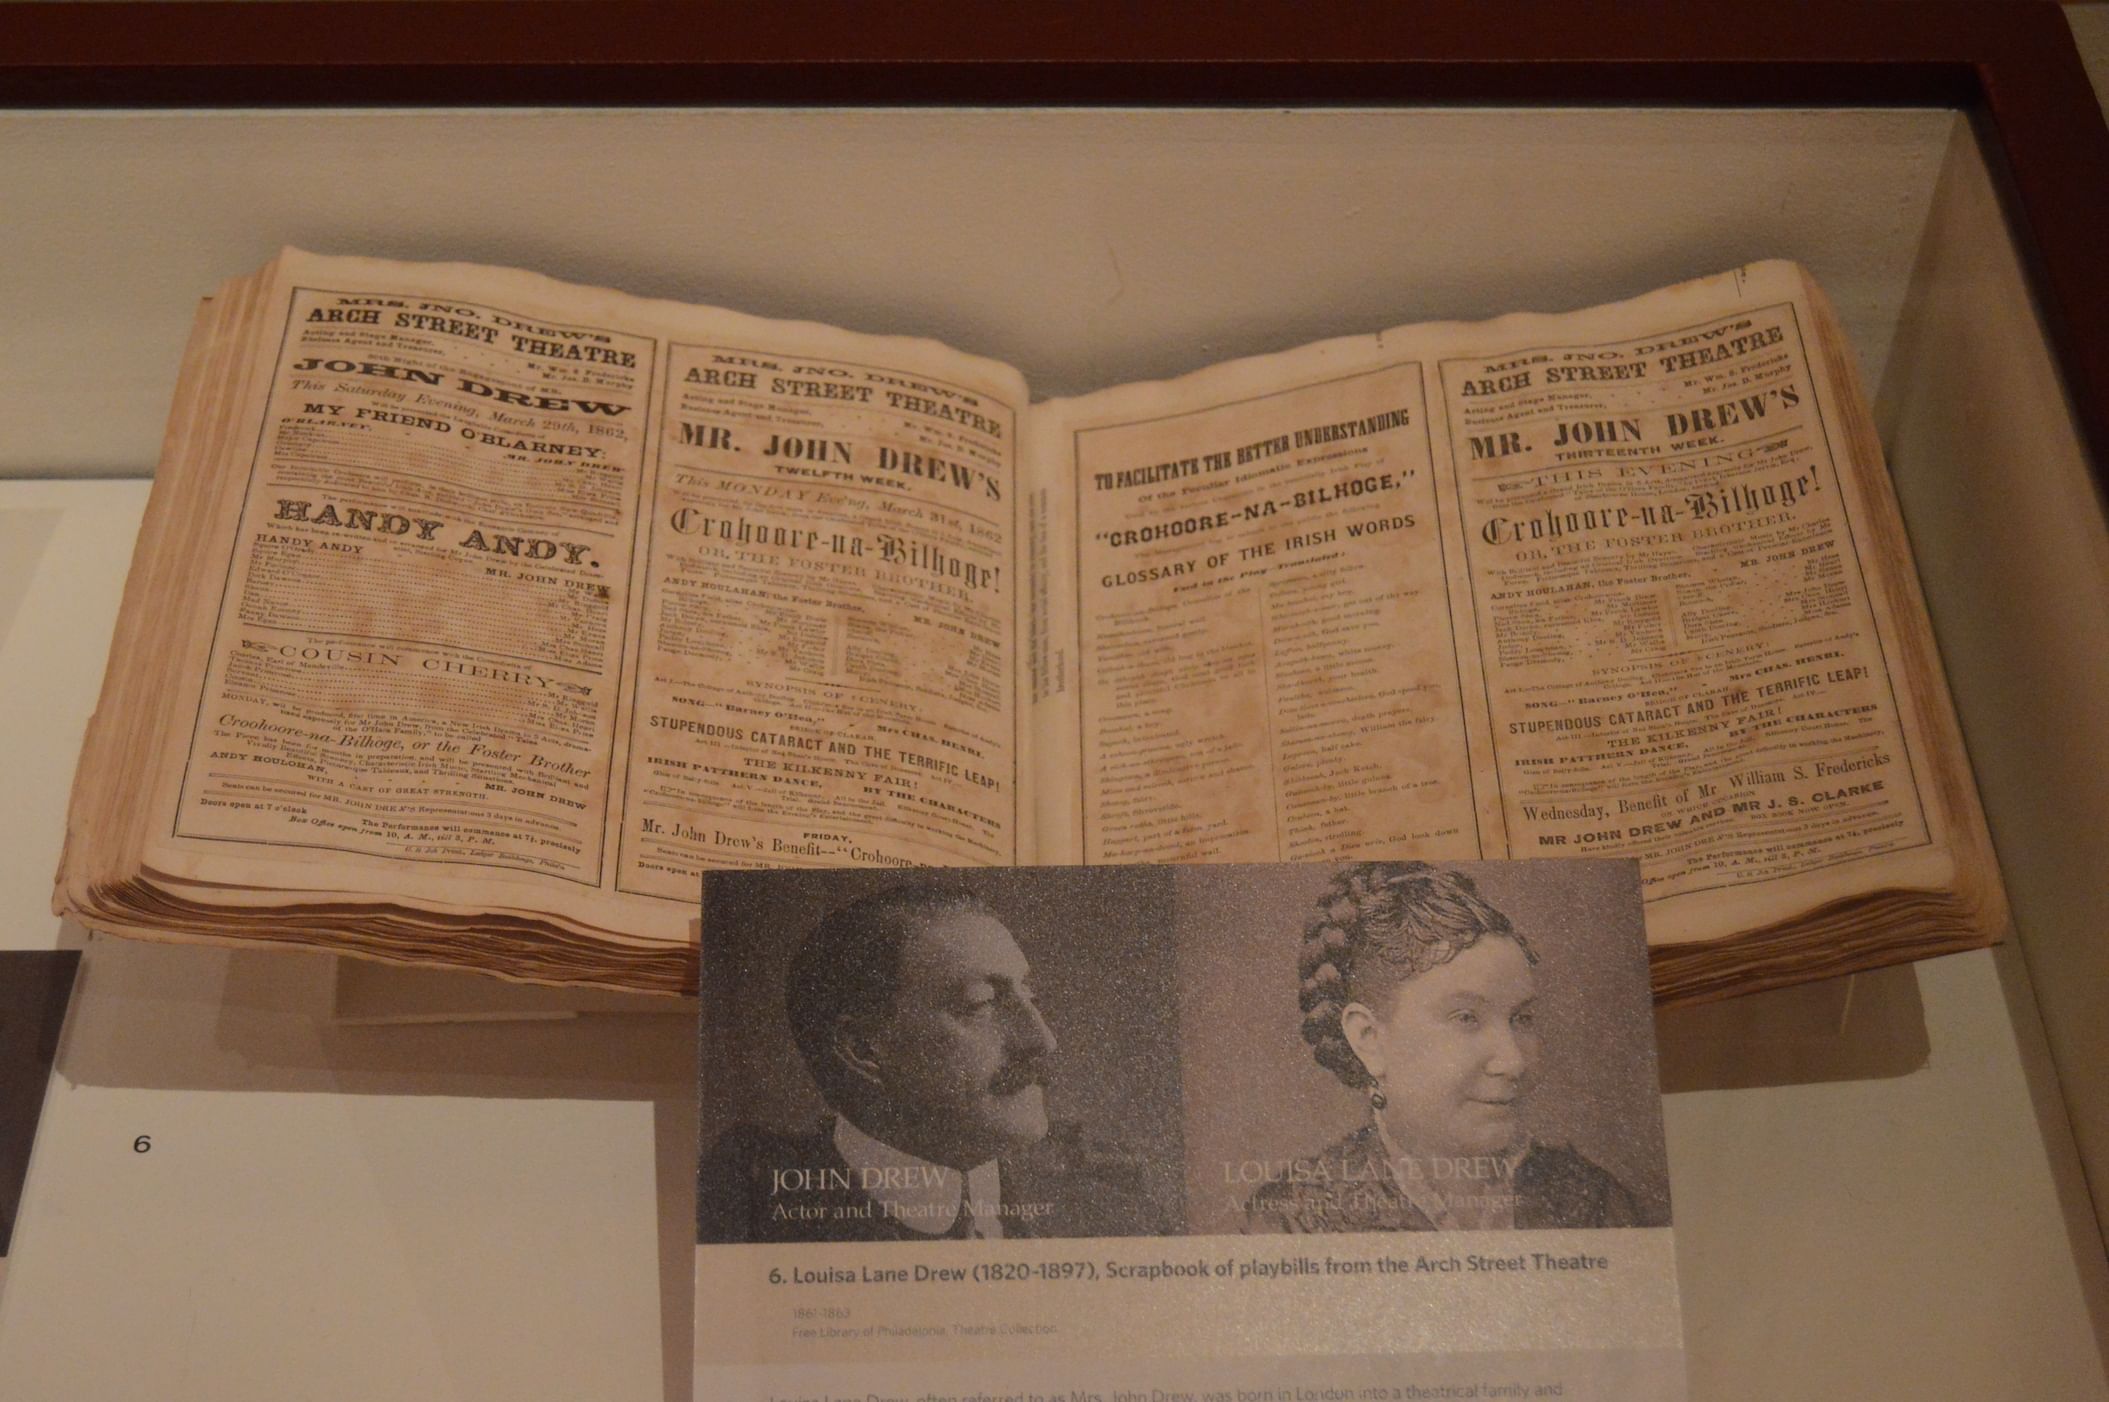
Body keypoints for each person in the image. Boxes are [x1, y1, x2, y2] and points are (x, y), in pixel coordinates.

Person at [697, 884, 1162, 1243]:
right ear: (863, 1049)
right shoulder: (744, 1220)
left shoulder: (1116, 1222)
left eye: (1029, 995)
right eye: (981, 1003)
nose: (1042, 1039)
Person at [1246, 861, 1651, 1233]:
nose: (1513, 1062)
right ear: (1369, 1039)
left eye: (1521, 1019)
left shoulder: (1596, 1202)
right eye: (1467, 1018)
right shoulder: (1288, 1220)